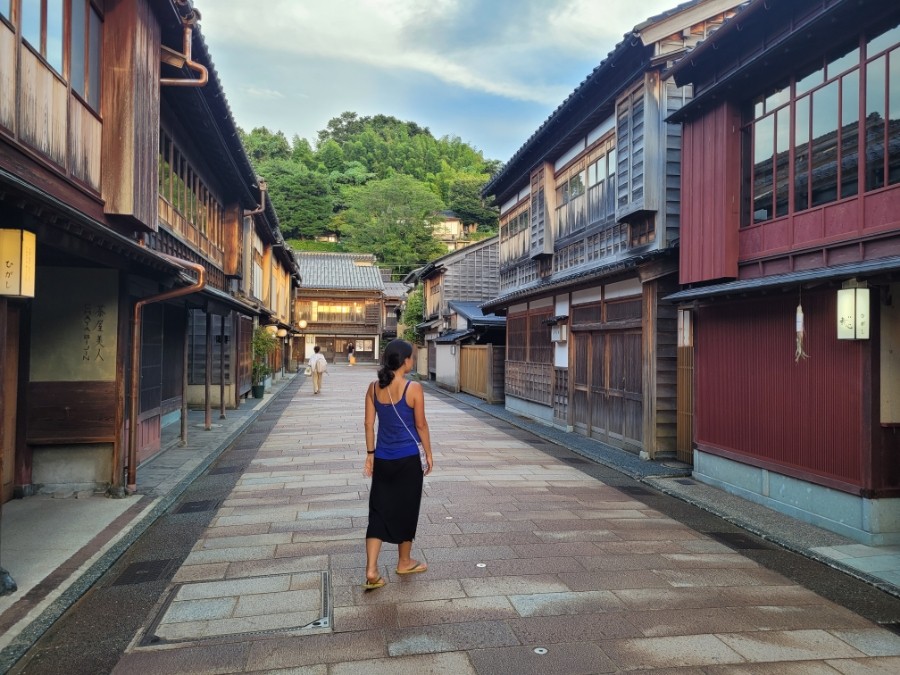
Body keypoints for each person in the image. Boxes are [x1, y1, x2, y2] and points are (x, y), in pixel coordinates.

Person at [362, 339, 433, 590]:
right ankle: (404, 561)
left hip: (382, 458)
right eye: (411, 357)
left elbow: (368, 424)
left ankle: (371, 569)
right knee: (406, 508)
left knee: (378, 511)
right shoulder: (413, 388)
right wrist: (429, 453)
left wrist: (370, 453)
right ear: (404, 360)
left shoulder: (373, 388)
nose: (412, 361)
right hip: (407, 460)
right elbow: (421, 425)